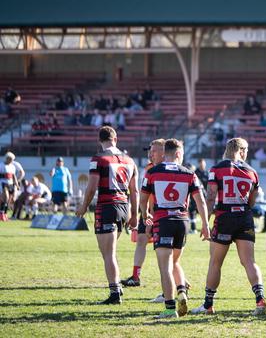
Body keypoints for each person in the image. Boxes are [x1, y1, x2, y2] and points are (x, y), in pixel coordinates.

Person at [193, 138, 266, 316]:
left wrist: (205, 222)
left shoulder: (216, 169)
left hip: (225, 217)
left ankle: (208, 304)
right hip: (244, 217)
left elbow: (210, 198)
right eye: (246, 150)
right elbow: (252, 200)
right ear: (241, 150)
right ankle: (260, 300)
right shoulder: (252, 171)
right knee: (249, 261)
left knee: (216, 262)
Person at [140, 138, 210, 319]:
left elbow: (143, 198)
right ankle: (181, 292)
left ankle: (170, 309)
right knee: (174, 263)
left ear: (165, 153)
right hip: (182, 222)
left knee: (165, 268)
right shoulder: (189, 173)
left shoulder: (152, 172)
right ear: (179, 154)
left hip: (163, 221)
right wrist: (205, 225)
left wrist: (145, 215)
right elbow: (200, 201)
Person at [76, 126, 138, 304]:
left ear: (99, 140)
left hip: (106, 206)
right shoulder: (130, 160)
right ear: (115, 139)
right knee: (110, 251)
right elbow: (134, 191)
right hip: (123, 206)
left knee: (108, 253)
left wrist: (83, 206)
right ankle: (116, 287)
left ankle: (115, 294)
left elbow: (92, 187)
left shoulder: (98, 159)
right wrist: (134, 215)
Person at [121, 139, 165, 289]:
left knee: (164, 250)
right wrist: (143, 214)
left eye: (153, 151)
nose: (150, 154)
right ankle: (135, 276)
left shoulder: (167, 169)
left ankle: (179, 281)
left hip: (160, 213)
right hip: (147, 212)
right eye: (149, 151)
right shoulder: (148, 168)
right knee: (141, 241)